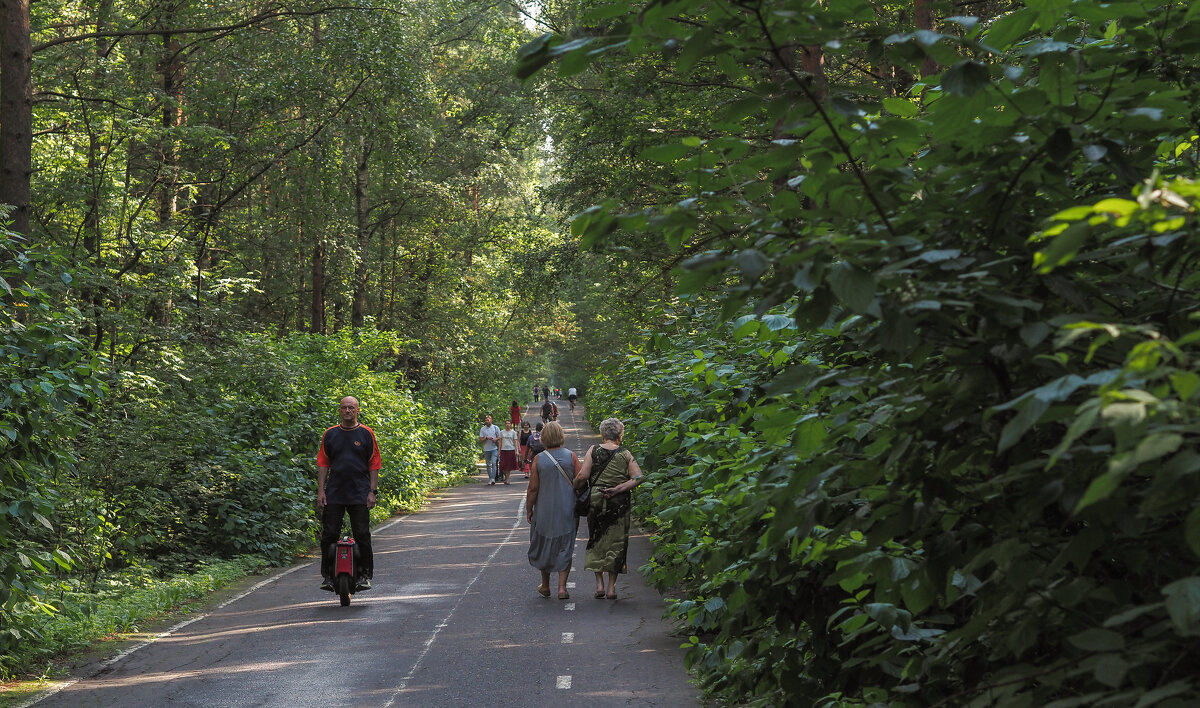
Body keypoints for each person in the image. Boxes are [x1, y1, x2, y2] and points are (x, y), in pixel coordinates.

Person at [317, 396, 382, 592]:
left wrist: (372, 492)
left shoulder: (366, 434)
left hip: (360, 492)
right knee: (329, 535)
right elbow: (323, 463)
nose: (347, 411)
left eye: (351, 408)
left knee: (362, 534)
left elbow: (374, 464)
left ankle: (365, 575)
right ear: (339, 411)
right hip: (335, 491)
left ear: (357, 410)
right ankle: (328, 576)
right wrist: (321, 490)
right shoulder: (330, 434)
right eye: (344, 407)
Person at [581, 417, 644, 600]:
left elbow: (583, 475)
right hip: (619, 503)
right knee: (617, 542)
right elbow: (638, 477)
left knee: (596, 538)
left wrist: (576, 486)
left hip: (597, 500)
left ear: (602, 434)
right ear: (620, 435)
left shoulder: (593, 450)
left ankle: (599, 585)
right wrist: (618, 488)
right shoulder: (625, 453)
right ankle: (611, 588)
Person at [525, 421, 582, 600]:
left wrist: (529, 509)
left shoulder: (539, 459)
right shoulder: (571, 456)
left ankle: (546, 585)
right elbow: (580, 481)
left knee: (544, 543)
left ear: (544, 438)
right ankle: (562, 588)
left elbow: (533, 488)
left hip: (544, 510)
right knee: (566, 545)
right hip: (567, 508)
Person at [478, 414, 501, 485]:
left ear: (491, 420)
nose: (487, 421)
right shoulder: (483, 429)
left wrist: (495, 439)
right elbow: (481, 439)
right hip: (486, 449)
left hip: (494, 448)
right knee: (488, 464)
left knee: (494, 463)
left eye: (488, 420)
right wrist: (486, 438)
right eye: (486, 420)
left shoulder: (495, 427)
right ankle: (490, 478)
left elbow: (500, 437)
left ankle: (493, 478)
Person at [498, 419, 520, 485]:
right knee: (503, 465)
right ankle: (506, 476)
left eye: (509, 423)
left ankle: (507, 479)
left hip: (511, 449)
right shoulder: (502, 432)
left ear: (511, 424)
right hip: (503, 450)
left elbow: (515, 442)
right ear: (505, 424)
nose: (507, 424)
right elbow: (500, 442)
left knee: (509, 465)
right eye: (506, 423)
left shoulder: (513, 432)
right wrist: (499, 450)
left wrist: (517, 451)